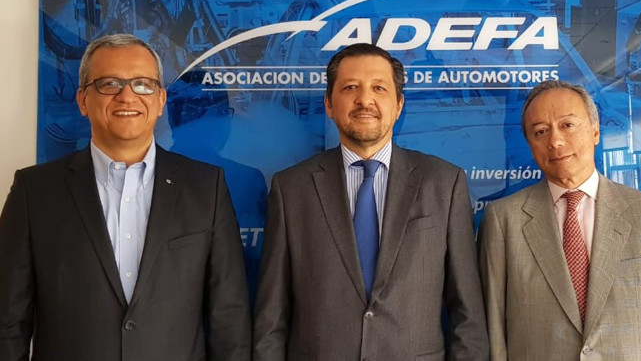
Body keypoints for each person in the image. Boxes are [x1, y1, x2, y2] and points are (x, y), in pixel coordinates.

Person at [0, 34, 251, 361]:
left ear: (161, 100)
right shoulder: (34, 191)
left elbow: (229, 317)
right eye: (109, 84)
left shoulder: (206, 187)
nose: (127, 96)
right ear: (83, 100)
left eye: (143, 84)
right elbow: (8, 321)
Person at [253, 43, 488, 360]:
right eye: (350, 87)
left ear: (399, 104)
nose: (365, 100)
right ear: (329, 103)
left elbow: (468, 316)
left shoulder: (445, 183)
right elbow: (271, 317)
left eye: (379, 88)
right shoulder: (291, 188)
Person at [479, 80, 641, 360]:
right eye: (540, 131)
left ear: (595, 131)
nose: (555, 141)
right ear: (530, 144)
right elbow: (494, 331)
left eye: (568, 125)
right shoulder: (503, 219)